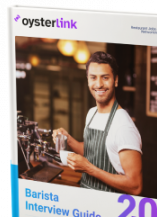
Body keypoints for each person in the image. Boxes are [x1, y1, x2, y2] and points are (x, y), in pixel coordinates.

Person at [53, 51, 142, 195]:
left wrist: (88, 168)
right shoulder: (92, 113)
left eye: (105, 77)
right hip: (87, 197)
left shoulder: (123, 126)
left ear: (116, 80)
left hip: (110, 206)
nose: (99, 84)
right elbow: (91, 151)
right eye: (93, 77)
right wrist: (68, 139)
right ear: (88, 80)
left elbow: (135, 186)